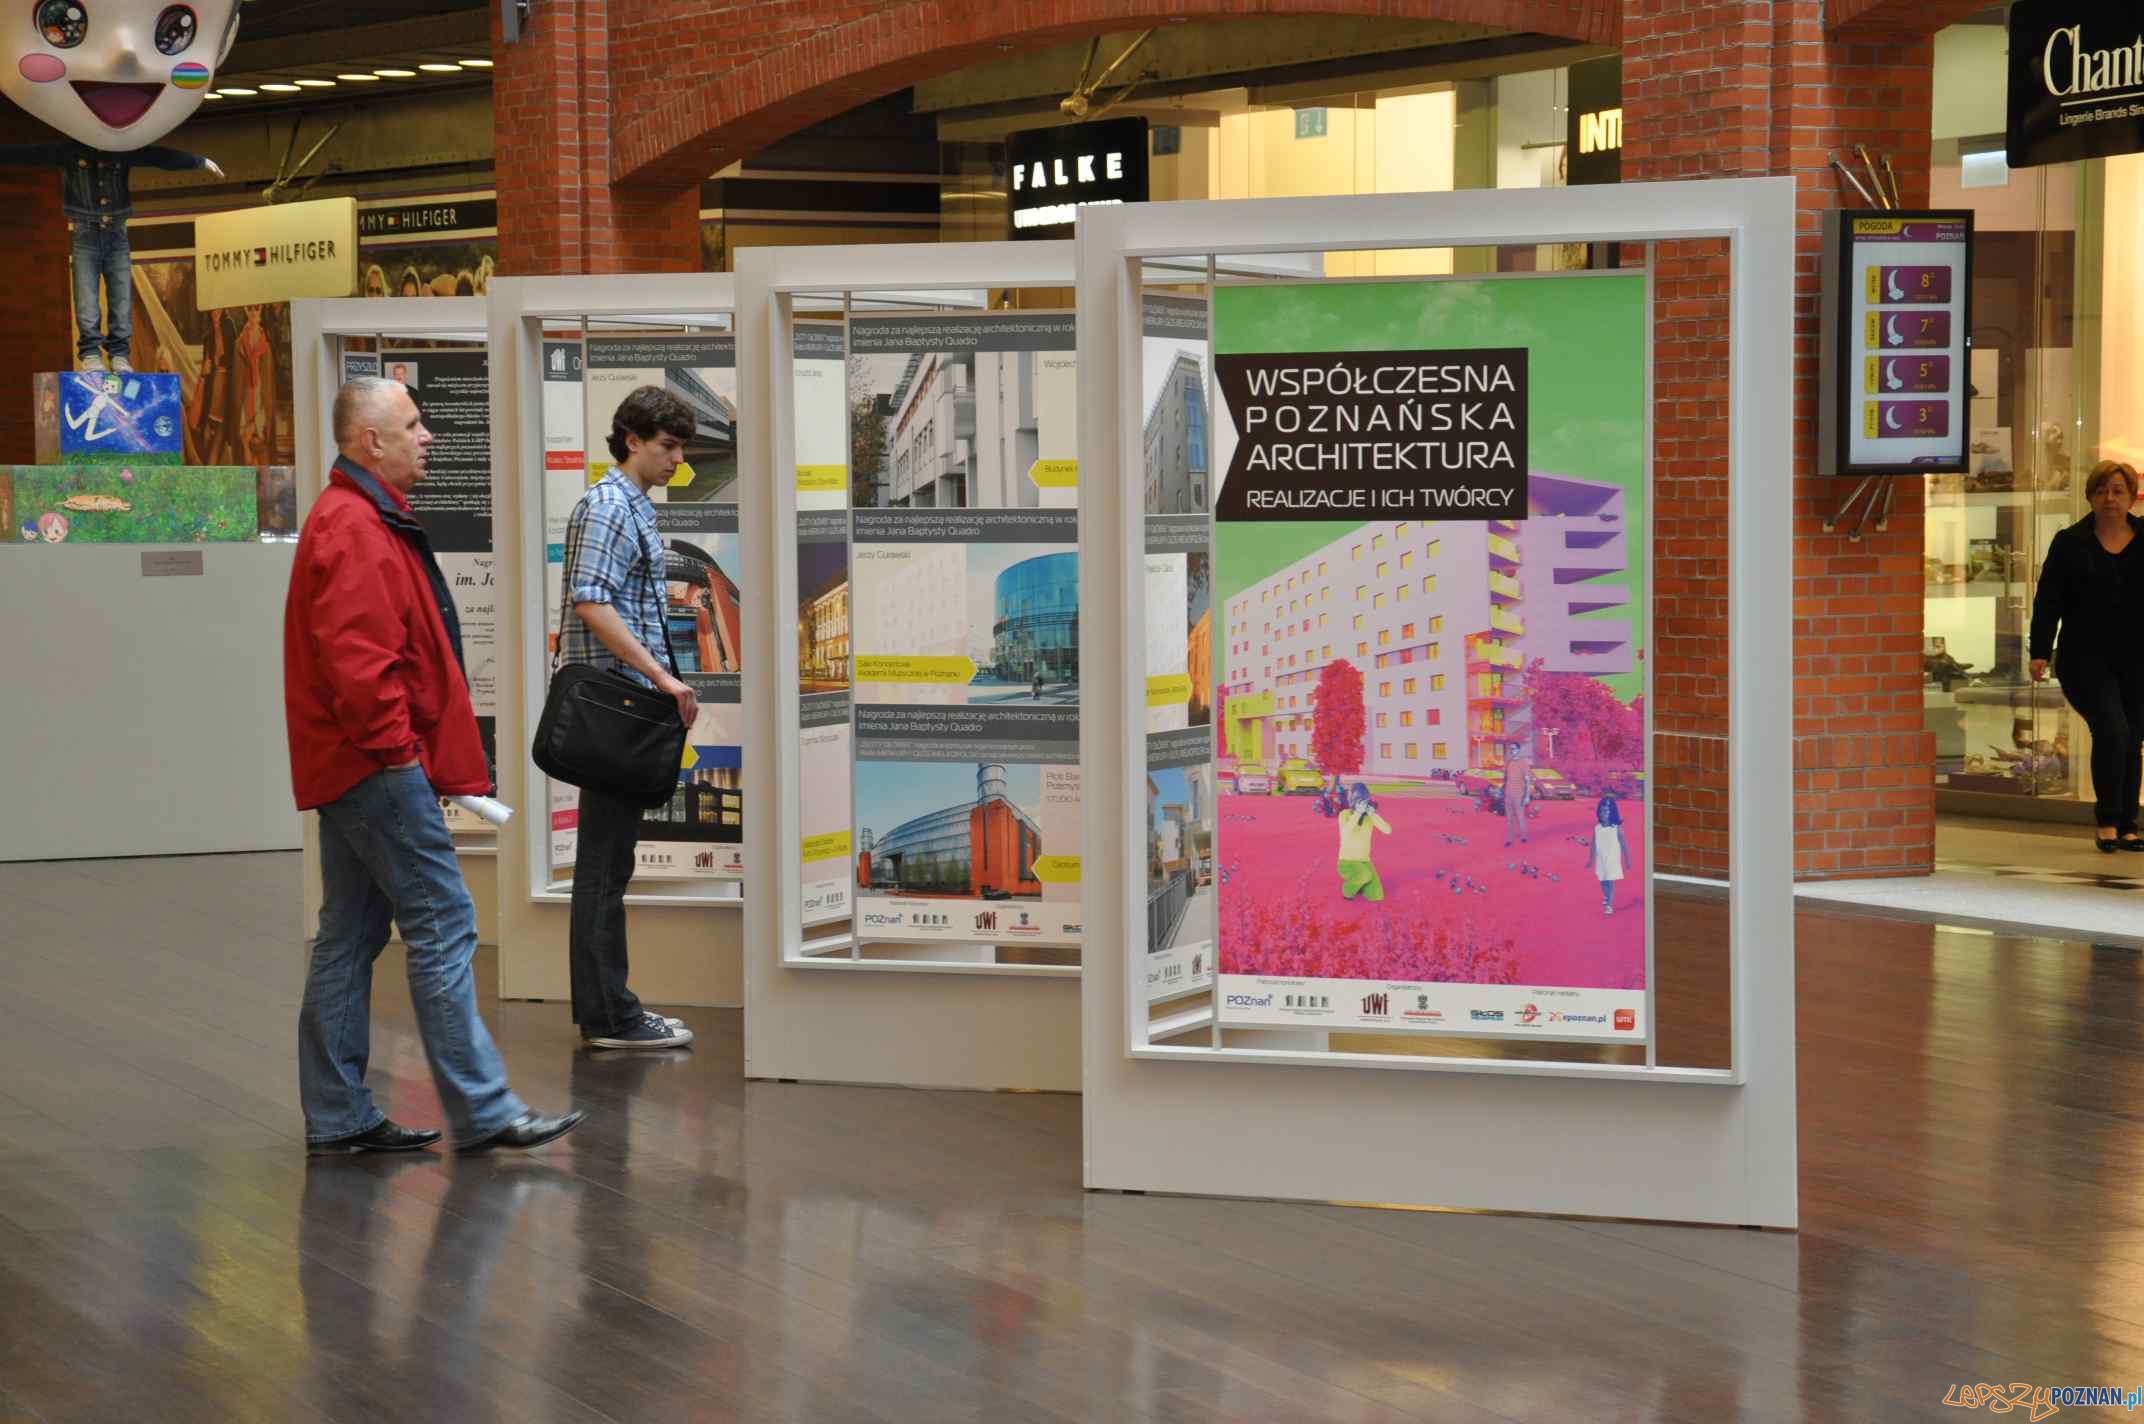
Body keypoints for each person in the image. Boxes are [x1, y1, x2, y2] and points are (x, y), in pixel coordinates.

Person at [285, 376, 583, 1153]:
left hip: (353, 764)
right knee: (444, 921)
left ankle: (338, 1114)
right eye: (413, 424)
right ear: (370, 441)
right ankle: (484, 1110)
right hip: (373, 766)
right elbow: (360, 667)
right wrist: (400, 757)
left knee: (350, 933)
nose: (428, 436)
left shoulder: (358, 517)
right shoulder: (354, 526)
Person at [557, 386, 702, 1049]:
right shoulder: (610, 508)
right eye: (668, 446)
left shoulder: (628, 506)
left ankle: (610, 1012)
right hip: (615, 708)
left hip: (623, 708)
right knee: (603, 868)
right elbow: (592, 601)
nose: (678, 460)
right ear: (633, 440)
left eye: (681, 448)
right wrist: (663, 677)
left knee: (608, 864)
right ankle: (611, 1017)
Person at [0, 139, 223, 373]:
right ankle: (90, 354)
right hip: (85, 233)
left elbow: (157, 156)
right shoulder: (70, 150)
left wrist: (198, 161)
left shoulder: (121, 149)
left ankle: (119, 354)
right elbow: (31, 153)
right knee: (86, 298)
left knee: (121, 297)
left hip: (116, 233)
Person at [2029, 460, 2144, 852]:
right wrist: (2039, 651)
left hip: (2136, 659)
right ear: (2090, 497)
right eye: (2101, 491)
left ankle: (2128, 825)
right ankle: (2108, 821)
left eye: (2118, 491)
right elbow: (2048, 600)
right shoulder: (2070, 542)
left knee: (2132, 737)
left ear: (2131, 498)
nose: (2109, 498)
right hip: (2084, 659)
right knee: (2112, 730)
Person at [1336, 782, 1391, 902]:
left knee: (1377, 895)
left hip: (1364, 861)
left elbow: (1387, 830)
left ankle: (1360, 883)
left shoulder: (1369, 817)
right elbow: (1346, 832)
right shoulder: (1344, 814)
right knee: (1364, 875)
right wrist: (1357, 813)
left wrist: (1373, 814)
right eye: (1359, 801)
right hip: (1347, 862)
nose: (1362, 804)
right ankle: (1347, 891)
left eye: (1364, 801)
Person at [1588, 795, 1629, 915]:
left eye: (1606, 811)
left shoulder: (1616, 828)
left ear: (1612, 812)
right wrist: (1591, 859)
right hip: (1601, 859)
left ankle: (1609, 904)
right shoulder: (1597, 828)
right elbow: (1593, 843)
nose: (1603, 813)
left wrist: (1627, 860)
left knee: (1610, 882)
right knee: (1603, 880)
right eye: (1601, 811)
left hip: (1612, 859)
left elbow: (1623, 843)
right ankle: (1606, 896)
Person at [1502, 752, 1533, 847]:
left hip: (1519, 795)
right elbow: (1506, 779)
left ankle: (1523, 836)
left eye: (1514, 749)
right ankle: (1509, 838)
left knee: (1520, 817)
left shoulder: (1523, 763)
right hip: (1508, 795)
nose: (1512, 751)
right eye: (1511, 749)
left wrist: (1527, 796)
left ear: (1518, 750)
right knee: (1509, 819)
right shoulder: (1508, 763)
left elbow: (1527, 780)